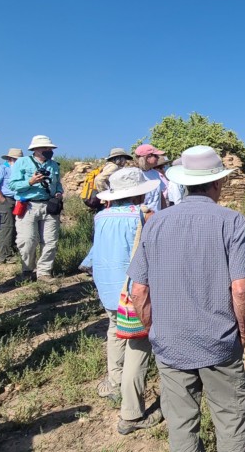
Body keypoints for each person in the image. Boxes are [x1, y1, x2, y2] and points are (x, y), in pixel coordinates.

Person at [127, 145, 245, 452]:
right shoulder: (232, 221)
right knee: (230, 420)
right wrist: (244, 330)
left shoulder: (155, 222)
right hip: (219, 339)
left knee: (181, 424)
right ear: (216, 182)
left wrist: (155, 327)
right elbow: (239, 288)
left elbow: (138, 290)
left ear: (184, 182)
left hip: (171, 340)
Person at [91, 168, 163, 435]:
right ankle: (131, 413)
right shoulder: (144, 217)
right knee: (138, 344)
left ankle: (114, 382)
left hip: (108, 287)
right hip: (133, 291)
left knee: (114, 331)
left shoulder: (101, 216)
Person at [7, 135, 64, 282]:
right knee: (27, 240)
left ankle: (44, 272)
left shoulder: (54, 165)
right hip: (28, 205)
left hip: (49, 205)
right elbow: (12, 185)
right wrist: (30, 182)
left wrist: (59, 192)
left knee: (50, 240)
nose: (49, 150)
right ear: (35, 149)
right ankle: (27, 269)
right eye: (45, 148)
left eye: (50, 148)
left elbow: (58, 184)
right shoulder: (22, 162)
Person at [0, 148, 23, 264]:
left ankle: (12, 251)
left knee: (15, 226)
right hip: (5, 199)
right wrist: (3, 201)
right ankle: (4, 256)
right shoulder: (1, 169)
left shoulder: (19, 170)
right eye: (17, 159)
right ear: (10, 159)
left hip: (16, 200)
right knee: (7, 227)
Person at [135, 144, 181, 209]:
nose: (158, 158)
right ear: (148, 157)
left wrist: (164, 210)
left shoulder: (155, 173)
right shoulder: (136, 174)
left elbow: (160, 194)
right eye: (156, 156)